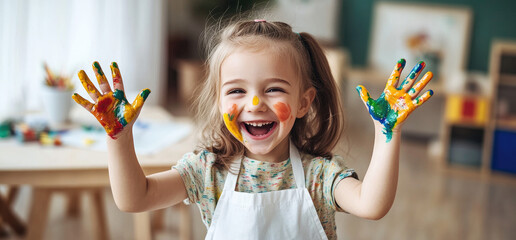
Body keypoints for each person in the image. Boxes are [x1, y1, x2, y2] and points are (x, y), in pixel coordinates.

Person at [72, 19, 433, 240]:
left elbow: (372, 205)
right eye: (237, 91)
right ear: (218, 100)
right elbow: (134, 199)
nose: (255, 103)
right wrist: (119, 138)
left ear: (305, 102)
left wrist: (388, 133)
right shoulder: (207, 171)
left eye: (273, 88)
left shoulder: (318, 174)